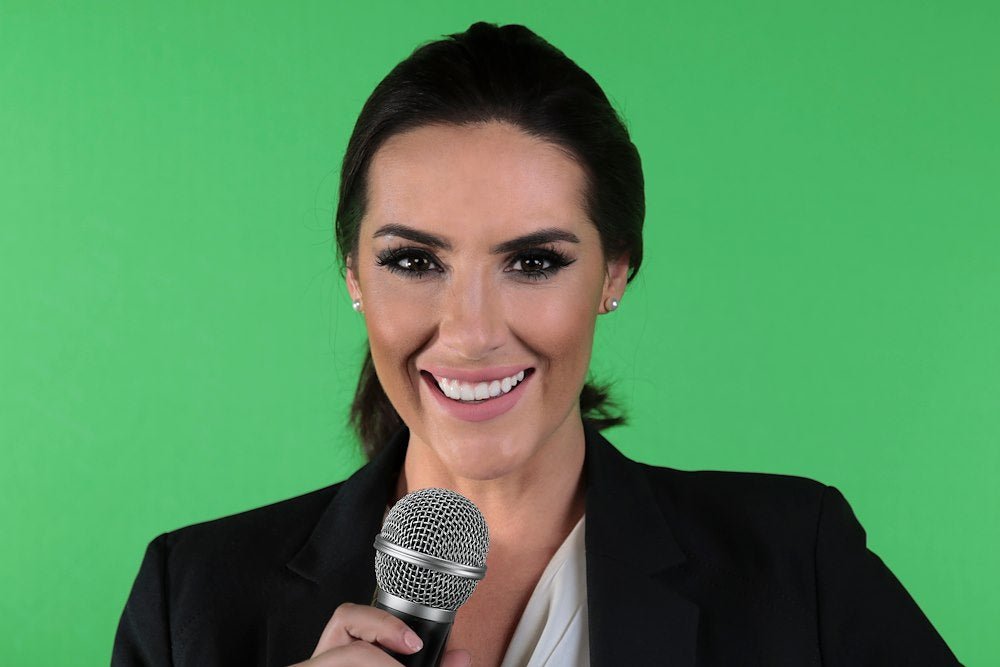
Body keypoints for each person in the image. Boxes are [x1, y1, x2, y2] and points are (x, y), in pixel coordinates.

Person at [112, 21, 962, 667]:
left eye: (532, 261)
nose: (473, 331)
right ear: (353, 275)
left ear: (614, 270)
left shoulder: (791, 564)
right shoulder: (190, 597)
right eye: (413, 260)